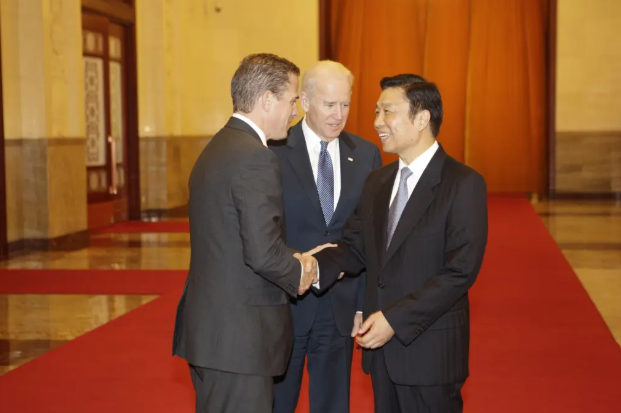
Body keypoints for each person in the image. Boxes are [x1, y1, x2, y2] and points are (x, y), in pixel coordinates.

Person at [310, 74, 489, 413]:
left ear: (422, 118)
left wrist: (393, 320)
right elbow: (356, 247)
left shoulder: (462, 184)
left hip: (429, 353)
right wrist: (311, 266)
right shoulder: (378, 181)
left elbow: (459, 272)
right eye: (377, 112)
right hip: (382, 357)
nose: (377, 122)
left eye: (387, 112)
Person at [172, 53, 318, 413]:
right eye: (291, 101)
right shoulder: (255, 157)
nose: (295, 112)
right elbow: (262, 252)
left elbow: (234, 239)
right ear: (267, 100)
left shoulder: (218, 148)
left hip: (213, 333)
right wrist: (302, 270)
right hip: (239, 339)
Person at [270, 61, 382, 413]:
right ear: (304, 101)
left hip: (341, 304)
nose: (339, 115)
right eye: (329, 105)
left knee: (333, 404)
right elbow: (265, 230)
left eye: (345, 104)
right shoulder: (273, 151)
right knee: (276, 402)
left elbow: (370, 237)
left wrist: (364, 303)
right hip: (284, 303)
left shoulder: (366, 155)